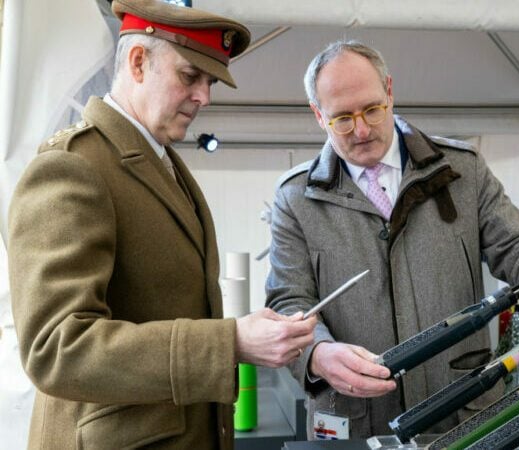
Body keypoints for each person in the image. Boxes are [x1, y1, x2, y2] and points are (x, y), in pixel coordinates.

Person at [7, 1, 316, 449]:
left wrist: (243, 333)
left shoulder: (159, 163)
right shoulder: (73, 167)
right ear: (138, 62)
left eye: (209, 82)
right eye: (190, 76)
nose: (204, 97)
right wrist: (229, 343)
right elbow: (58, 348)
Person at [266, 40, 519, 439]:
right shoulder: (294, 198)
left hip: (462, 415)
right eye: (342, 118)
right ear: (317, 115)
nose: (361, 130)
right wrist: (319, 355)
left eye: (372, 109)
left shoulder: (462, 170)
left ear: (390, 92)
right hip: (353, 423)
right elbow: (290, 302)